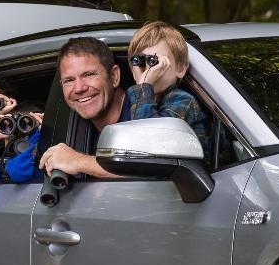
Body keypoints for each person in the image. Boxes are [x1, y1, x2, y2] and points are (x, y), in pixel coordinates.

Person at [38, 33, 206, 179]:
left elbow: (151, 167)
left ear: (114, 76)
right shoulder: (67, 128)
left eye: (89, 74)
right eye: (69, 80)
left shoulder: (156, 109)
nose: (79, 88)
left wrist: (78, 161)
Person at [125, 21, 208, 149]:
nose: (148, 69)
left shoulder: (183, 100)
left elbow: (149, 143)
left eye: (154, 62)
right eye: (140, 61)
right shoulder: (139, 102)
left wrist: (144, 85)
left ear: (180, 69)